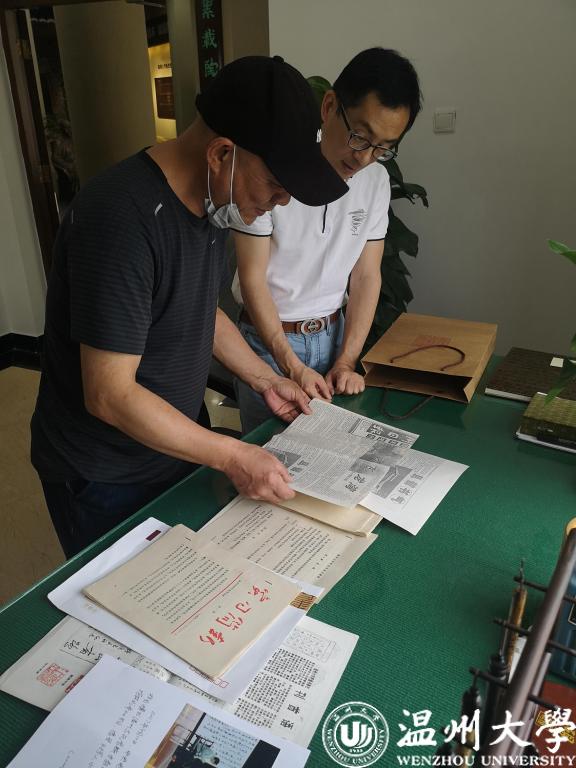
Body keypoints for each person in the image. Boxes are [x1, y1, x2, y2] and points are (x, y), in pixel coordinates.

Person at [31, 55, 347, 558]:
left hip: (171, 444)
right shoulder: (120, 219)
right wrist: (232, 454)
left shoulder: (212, 205)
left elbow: (203, 313)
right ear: (222, 153)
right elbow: (110, 393)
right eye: (276, 186)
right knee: (126, 597)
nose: (281, 202)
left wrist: (268, 379)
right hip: (103, 472)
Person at [232, 48, 422, 434]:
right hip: (268, 343)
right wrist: (291, 365)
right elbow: (252, 279)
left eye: (384, 147)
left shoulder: (375, 181)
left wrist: (346, 360)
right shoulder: (274, 168)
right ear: (330, 105)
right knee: (269, 456)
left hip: (334, 337)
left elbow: (366, 276)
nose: (365, 157)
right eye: (360, 136)